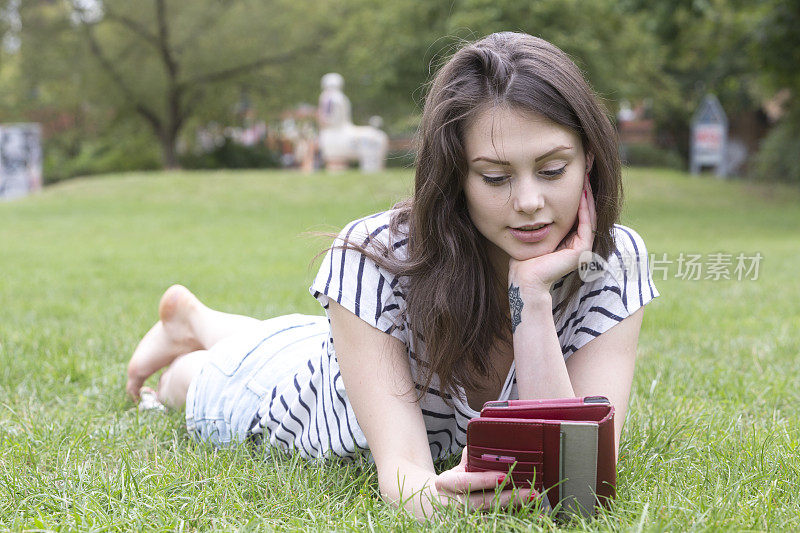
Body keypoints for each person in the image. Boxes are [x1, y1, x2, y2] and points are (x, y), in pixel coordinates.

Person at [125, 32, 659, 519]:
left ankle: (197, 318)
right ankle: (189, 332)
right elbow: (406, 485)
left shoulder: (615, 261)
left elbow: (580, 479)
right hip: (299, 388)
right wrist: (438, 501)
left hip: (351, 339)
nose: (529, 202)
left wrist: (532, 299)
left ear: (589, 159)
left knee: (304, 338)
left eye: (551, 170)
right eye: (495, 177)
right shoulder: (372, 255)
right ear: (456, 175)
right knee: (193, 381)